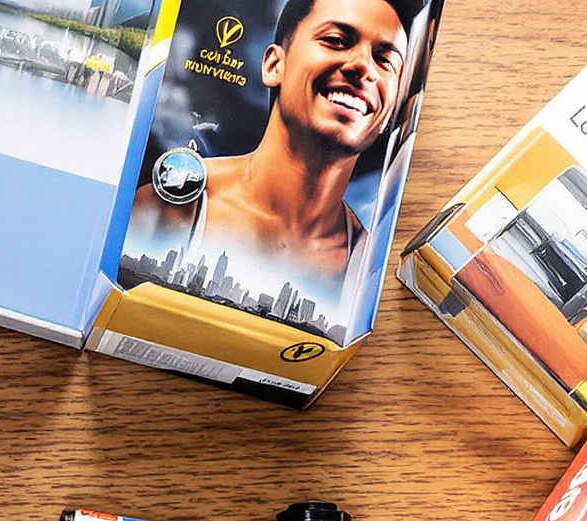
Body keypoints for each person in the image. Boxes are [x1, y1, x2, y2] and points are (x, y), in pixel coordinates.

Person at [128, 0, 417, 306]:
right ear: (273, 65)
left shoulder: (364, 270)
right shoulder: (169, 207)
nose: (364, 67)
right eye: (336, 41)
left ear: (391, 113)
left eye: (385, 60)